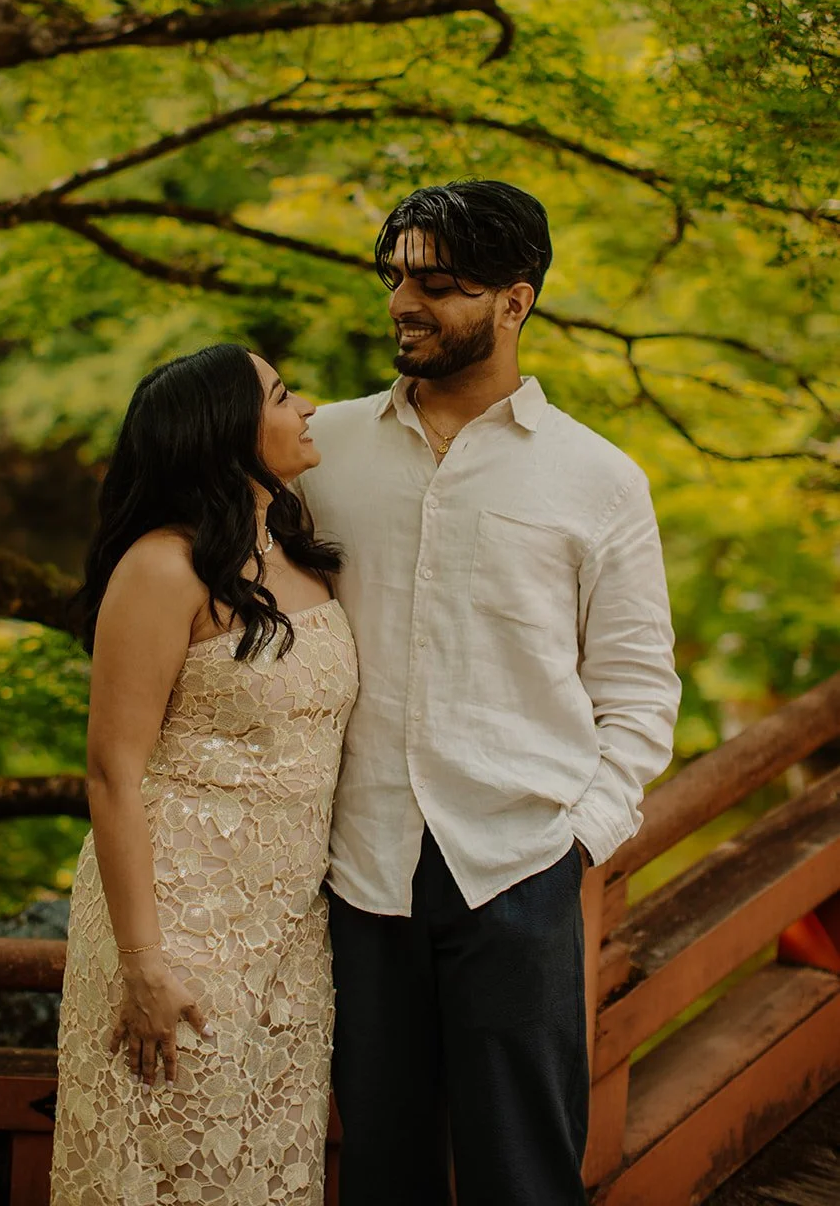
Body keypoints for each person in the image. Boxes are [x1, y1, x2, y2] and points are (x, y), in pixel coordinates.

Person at [297, 179, 681, 1206]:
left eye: (436, 284)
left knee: (525, 1179)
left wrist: (576, 843)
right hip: (356, 867)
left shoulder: (597, 477)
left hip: (517, 868)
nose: (401, 303)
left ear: (514, 302)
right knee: (380, 1172)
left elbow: (638, 688)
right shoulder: (320, 452)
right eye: (394, 278)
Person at [51, 343, 357, 1206]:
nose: (306, 408)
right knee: (173, 1169)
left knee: (268, 1173)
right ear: (226, 432)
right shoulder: (160, 566)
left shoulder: (299, 551)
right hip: (179, 923)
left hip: (289, 935)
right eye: (282, 396)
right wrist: (143, 962)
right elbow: (112, 773)